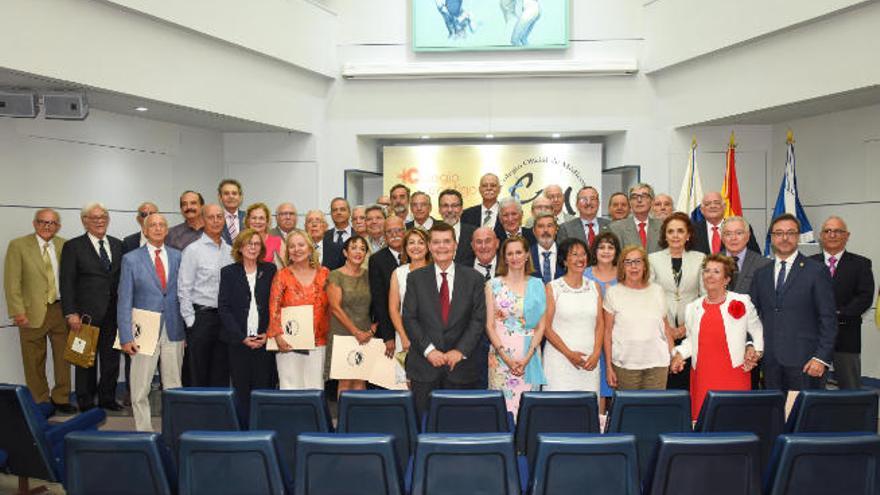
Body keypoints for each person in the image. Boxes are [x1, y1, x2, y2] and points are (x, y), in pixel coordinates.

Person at [403, 223, 486, 416]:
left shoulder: (474, 278)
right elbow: (409, 318)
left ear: (455, 244)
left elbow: (478, 320)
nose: (442, 247)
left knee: (459, 427)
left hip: (461, 368)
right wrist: (429, 351)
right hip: (425, 367)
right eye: (436, 242)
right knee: (424, 427)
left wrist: (460, 351)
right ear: (430, 246)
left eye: (447, 241)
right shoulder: (415, 279)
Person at [749, 213, 837, 391]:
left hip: (806, 362)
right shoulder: (761, 274)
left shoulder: (816, 271)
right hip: (770, 362)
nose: (784, 238)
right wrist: (751, 344)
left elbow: (828, 319)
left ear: (798, 236)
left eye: (790, 233)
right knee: (775, 415)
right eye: (779, 233)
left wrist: (821, 358)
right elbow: (752, 315)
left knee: (803, 416)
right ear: (772, 238)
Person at [671, 254, 764, 419]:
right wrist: (678, 355)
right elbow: (692, 341)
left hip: (735, 372)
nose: (710, 275)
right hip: (702, 375)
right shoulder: (693, 307)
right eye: (707, 271)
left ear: (727, 279)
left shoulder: (741, 301)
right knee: (703, 422)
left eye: (716, 271)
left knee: (735, 422)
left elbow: (757, 333)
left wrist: (755, 353)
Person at [117, 213, 184, 431]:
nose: (157, 228)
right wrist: (126, 337)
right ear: (145, 230)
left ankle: (173, 432)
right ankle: (144, 433)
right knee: (140, 389)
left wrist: (185, 333)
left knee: (174, 387)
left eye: (162, 225)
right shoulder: (131, 259)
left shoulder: (178, 256)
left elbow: (183, 295)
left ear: (167, 230)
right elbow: (124, 300)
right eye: (152, 225)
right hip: (143, 332)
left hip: (173, 329)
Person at [4, 208, 73, 413]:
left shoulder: (65, 245)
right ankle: (40, 399)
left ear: (58, 226)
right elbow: (12, 282)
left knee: (64, 358)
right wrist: (17, 311)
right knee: (34, 359)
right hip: (30, 312)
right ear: (34, 223)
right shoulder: (18, 245)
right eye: (42, 222)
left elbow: (71, 279)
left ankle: (61, 398)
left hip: (61, 310)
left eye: (52, 223)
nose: (47, 226)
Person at [60, 202, 124, 412]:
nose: (99, 221)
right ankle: (85, 401)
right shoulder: (73, 246)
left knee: (111, 360)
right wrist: (71, 313)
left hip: (114, 314)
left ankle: (107, 398)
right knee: (84, 360)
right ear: (84, 221)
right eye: (94, 217)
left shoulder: (117, 245)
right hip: (84, 316)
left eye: (103, 217)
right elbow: (66, 282)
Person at [218, 228, 277, 424]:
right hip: (238, 341)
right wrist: (241, 337)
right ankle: (243, 429)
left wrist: (268, 333)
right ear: (240, 247)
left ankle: (263, 428)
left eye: (256, 244)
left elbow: (275, 305)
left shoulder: (270, 270)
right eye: (248, 243)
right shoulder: (228, 272)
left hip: (263, 340)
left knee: (264, 389)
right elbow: (224, 308)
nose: (252, 247)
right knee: (241, 389)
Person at [810, 216, 874, 390]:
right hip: (814, 336)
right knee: (813, 387)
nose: (832, 235)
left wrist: (838, 314)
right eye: (827, 231)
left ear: (847, 236)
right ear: (821, 236)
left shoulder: (861, 264)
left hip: (846, 335)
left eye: (838, 231)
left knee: (850, 386)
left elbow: (865, 297)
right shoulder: (807, 264)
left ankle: (853, 418)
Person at [486, 235, 547, 415]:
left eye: (519, 252)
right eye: (510, 253)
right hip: (500, 357)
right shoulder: (492, 285)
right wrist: (506, 358)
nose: (515, 257)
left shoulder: (538, 285)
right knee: (502, 412)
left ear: (527, 255)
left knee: (527, 412)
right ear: (504, 257)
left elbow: (540, 327)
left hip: (529, 356)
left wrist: (526, 358)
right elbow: (489, 326)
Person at [178, 204, 234, 387]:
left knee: (221, 372)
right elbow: (183, 289)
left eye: (220, 217)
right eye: (211, 217)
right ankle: (196, 415)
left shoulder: (231, 252)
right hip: (201, 318)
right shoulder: (193, 250)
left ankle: (218, 414)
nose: (216, 221)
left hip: (225, 320)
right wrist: (190, 322)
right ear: (203, 220)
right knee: (197, 373)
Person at [603, 246, 674, 390]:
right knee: (629, 410)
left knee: (654, 410)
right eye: (628, 262)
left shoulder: (657, 291)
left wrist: (673, 355)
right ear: (622, 266)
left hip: (658, 364)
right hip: (625, 365)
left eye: (637, 261)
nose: (633, 267)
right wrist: (609, 367)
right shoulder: (613, 293)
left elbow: (666, 329)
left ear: (645, 265)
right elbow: (607, 333)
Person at [648, 212, 706, 390]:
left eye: (680, 231)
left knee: (687, 381)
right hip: (660, 330)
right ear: (664, 235)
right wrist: (668, 329)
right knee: (665, 380)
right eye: (670, 231)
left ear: (688, 235)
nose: (675, 235)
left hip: (691, 329)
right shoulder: (652, 259)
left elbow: (704, 296)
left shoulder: (700, 258)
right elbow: (649, 297)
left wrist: (685, 327)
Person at [268, 229, 330, 390]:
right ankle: (290, 417)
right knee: (289, 386)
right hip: (288, 343)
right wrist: (278, 336)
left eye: (301, 245)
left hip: (318, 342)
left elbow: (333, 307)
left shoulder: (325, 274)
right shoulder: (282, 275)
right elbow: (273, 308)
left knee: (315, 388)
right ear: (287, 251)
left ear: (310, 248)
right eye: (292, 246)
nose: (297, 249)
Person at [543, 238, 603, 393]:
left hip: (590, 362)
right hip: (560, 361)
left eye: (583, 254)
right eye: (575, 254)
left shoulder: (594, 286)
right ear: (564, 260)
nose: (580, 259)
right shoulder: (553, 288)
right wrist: (569, 354)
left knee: (587, 410)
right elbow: (546, 328)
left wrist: (596, 353)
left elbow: (600, 324)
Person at [326, 236, 373, 396]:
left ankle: (361, 420)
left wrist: (371, 331)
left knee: (361, 379)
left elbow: (379, 305)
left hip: (366, 334)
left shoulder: (370, 275)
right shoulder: (335, 275)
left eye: (362, 248)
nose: (358, 251)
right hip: (343, 334)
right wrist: (356, 332)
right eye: (354, 247)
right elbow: (335, 308)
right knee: (345, 381)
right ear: (345, 252)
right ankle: (344, 421)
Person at [388, 228, 433, 386]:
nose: (416, 247)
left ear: (428, 246)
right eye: (411, 243)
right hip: (406, 336)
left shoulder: (436, 271)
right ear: (405, 247)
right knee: (408, 383)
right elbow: (393, 309)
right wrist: (403, 336)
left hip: (434, 336)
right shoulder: (399, 273)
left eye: (421, 242)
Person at [584, 231, 622, 413]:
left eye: (610, 247)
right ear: (595, 250)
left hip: (620, 340)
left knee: (618, 387)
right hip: (592, 340)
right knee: (597, 387)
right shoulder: (585, 275)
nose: (606, 251)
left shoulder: (624, 275)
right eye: (601, 247)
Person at [369, 216, 406, 360]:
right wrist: (388, 336)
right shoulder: (377, 260)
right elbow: (379, 301)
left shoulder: (415, 255)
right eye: (390, 232)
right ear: (384, 236)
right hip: (389, 327)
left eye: (398, 230)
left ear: (405, 232)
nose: (395, 235)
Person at [692, 192, 761, 255]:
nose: (712, 206)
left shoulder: (742, 227)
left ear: (724, 207)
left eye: (717, 203)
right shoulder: (691, 230)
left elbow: (755, 255)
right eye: (707, 204)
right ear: (701, 210)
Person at [721, 216, 770, 294]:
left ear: (747, 236)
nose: (733, 238)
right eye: (728, 234)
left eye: (739, 233)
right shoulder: (712, 262)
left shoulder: (764, 264)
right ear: (722, 238)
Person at [609, 183, 662, 253]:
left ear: (652, 201)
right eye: (634, 197)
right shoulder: (616, 228)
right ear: (630, 202)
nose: (639, 200)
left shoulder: (662, 226)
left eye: (644, 196)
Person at [530, 213, 565, 283]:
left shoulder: (566, 254)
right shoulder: (527, 255)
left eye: (549, 226)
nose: (545, 230)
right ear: (534, 231)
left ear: (556, 229)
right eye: (540, 226)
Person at [322, 197, 352, 270]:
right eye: (335, 210)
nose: (338, 212)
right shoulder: (324, 236)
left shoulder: (358, 235)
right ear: (331, 214)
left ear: (349, 212)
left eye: (342, 209)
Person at [218, 179, 245, 244]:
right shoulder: (214, 219)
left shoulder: (249, 218)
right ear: (220, 197)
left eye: (234, 193)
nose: (231, 196)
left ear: (240, 197)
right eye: (226, 193)